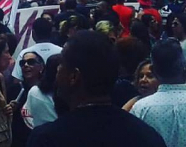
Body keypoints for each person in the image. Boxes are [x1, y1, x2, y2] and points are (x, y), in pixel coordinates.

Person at [27, 31, 166, 147]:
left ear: (74, 76)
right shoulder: (146, 135)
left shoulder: (47, 140)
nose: (57, 70)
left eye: (61, 64)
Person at [8, 50, 44, 147]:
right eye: (22, 63)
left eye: (31, 62)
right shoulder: (14, 90)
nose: (26, 65)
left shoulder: (47, 91)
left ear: (41, 67)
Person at [12, 18, 61, 82]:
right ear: (51, 32)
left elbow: (17, 80)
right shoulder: (61, 51)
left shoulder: (25, 54)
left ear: (33, 33)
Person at [23, 54, 61, 128]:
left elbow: (27, 116)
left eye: (31, 62)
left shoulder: (34, 91)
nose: (26, 65)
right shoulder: (35, 92)